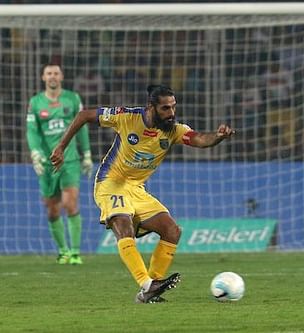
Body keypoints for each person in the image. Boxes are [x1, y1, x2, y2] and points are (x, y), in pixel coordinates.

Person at [50, 85, 234, 303]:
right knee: (124, 225)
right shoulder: (127, 117)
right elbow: (84, 115)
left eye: (173, 107)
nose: (171, 113)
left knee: (172, 231)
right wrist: (61, 147)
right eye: (165, 108)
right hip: (110, 183)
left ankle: (151, 290)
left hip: (136, 189)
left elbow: (200, 139)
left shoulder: (174, 130)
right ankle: (147, 284)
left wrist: (218, 136)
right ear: (151, 107)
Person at [26, 63, 93, 265]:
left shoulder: (72, 99)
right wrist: (35, 153)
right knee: (52, 209)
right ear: (43, 77)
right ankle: (63, 251)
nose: (52, 76)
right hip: (47, 163)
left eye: (56, 73)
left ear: (61, 76)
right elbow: (32, 131)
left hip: (69, 159)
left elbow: (81, 127)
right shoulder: (35, 102)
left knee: (70, 203)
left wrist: (87, 153)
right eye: (49, 73)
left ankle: (75, 252)